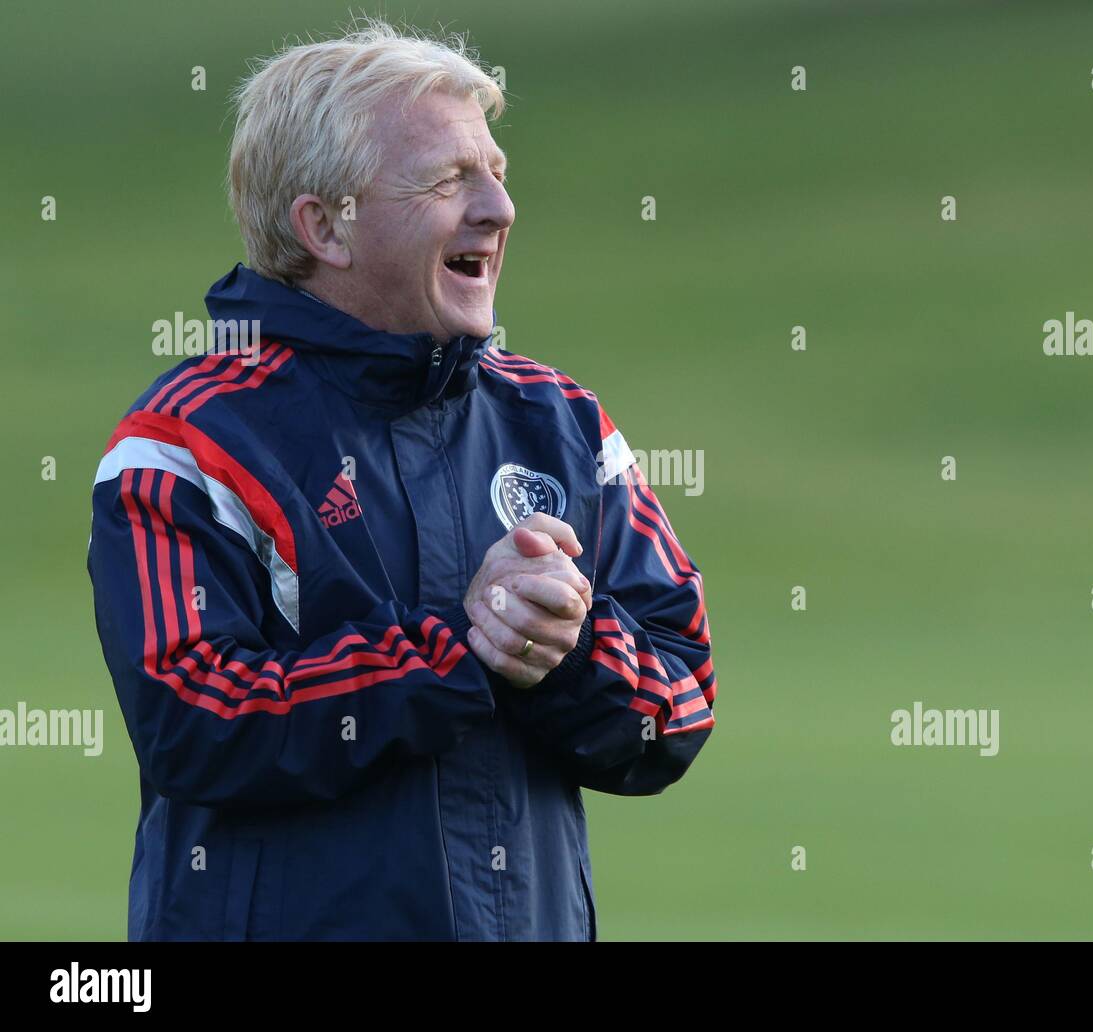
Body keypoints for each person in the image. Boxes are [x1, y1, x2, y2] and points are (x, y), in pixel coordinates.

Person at [87, 18, 716, 941]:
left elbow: (679, 708)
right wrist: (461, 652)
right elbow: (197, 720)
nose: (498, 209)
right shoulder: (190, 440)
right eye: (449, 180)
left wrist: (567, 650)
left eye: (497, 172)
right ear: (324, 227)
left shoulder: (562, 422)